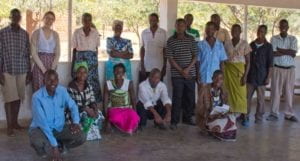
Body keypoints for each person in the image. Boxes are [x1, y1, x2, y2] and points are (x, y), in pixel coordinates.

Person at [29, 70, 86, 161]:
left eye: (55, 79)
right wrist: (54, 146)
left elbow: (73, 106)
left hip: (59, 128)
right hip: (41, 129)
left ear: (58, 80)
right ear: (44, 81)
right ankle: (46, 149)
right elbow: (43, 124)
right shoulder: (37, 97)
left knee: (81, 136)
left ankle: (60, 145)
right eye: (49, 80)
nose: (53, 83)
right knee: (38, 142)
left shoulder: (62, 91)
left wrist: (75, 122)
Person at [0, 8, 31, 136]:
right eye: (14, 15)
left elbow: (28, 53)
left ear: (20, 18)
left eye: (18, 16)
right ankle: (9, 126)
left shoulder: (25, 34)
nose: (16, 17)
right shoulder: (2, 33)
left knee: (18, 97)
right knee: (9, 98)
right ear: (10, 17)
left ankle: (15, 123)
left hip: (22, 69)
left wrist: (29, 71)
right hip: (7, 69)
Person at [166, 18, 198, 129]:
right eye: (178, 25)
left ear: (185, 27)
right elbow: (170, 58)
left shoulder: (191, 39)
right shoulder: (170, 40)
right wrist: (181, 71)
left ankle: (187, 118)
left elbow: (195, 56)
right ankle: (174, 121)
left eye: (182, 25)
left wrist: (187, 69)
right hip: (177, 75)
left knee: (189, 97)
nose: (180, 27)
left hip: (190, 73)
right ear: (175, 26)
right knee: (177, 97)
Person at [267, 19, 298, 122]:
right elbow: (273, 53)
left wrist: (280, 50)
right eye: (281, 26)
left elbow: (293, 53)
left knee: (289, 93)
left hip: (290, 70)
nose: (283, 27)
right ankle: (274, 114)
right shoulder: (274, 38)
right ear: (279, 27)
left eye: (285, 26)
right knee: (275, 92)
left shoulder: (293, 39)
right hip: (277, 68)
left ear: (288, 27)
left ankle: (289, 114)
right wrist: (287, 52)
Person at [67, 61, 105, 141]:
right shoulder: (71, 87)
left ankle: (91, 132)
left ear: (87, 74)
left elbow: (92, 100)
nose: (82, 74)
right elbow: (71, 105)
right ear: (76, 74)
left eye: (84, 72)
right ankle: (84, 133)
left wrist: (94, 109)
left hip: (88, 109)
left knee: (99, 115)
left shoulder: (88, 85)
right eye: (79, 72)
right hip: (76, 112)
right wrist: (86, 109)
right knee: (84, 116)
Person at [196, 70, 237, 141]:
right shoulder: (204, 89)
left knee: (233, 117)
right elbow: (199, 108)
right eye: (216, 78)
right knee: (222, 126)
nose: (218, 80)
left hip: (220, 116)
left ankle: (218, 130)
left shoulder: (224, 91)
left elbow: (227, 106)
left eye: (221, 78)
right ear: (212, 79)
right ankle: (210, 129)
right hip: (207, 118)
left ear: (223, 80)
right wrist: (209, 115)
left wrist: (225, 112)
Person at [244, 25, 273, 125]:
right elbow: (246, 62)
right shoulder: (251, 45)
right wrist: (245, 75)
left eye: (263, 32)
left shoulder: (268, 46)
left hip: (262, 77)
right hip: (250, 77)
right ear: (256, 32)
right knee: (247, 98)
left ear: (265, 33)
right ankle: (246, 116)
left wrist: (268, 78)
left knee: (261, 100)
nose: (260, 33)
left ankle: (259, 118)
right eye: (259, 31)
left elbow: (270, 64)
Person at [223, 24, 251, 126]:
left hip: (240, 72)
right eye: (233, 30)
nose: (234, 32)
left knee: (241, 94)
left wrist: (245, 76)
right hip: (228, 71)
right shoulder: (227, 44)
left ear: (240, 31)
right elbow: (223, 58)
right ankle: (231, 115)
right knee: (229, 93)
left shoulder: (244, 43)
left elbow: (248, 61)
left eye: (237, 30)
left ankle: (244, 116)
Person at [72, 13, 102, 104]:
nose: (87, 22)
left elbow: (96, 49)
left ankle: (94, 106)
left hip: (92, 62)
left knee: (93, 84)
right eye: (85, 20)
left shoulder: (95, 32)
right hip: (80, 60)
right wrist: (72, 65)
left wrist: (95, 62)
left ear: (91, 21)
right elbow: (74, 50)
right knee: (81, 82)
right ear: (82, 21)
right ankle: (82, 106)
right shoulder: (77, 32)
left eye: (89, 20)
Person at [103, 63, 140, 134]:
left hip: (126, 108)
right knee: (114, 117)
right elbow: (105, 101)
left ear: (124, 73)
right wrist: (106, 117)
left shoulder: (129, 83)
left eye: (120, 72)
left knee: (133, 116)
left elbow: (133, 99)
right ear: (113, 72)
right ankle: (115, 124)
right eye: (116, 71)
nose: (118, 74)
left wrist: (135, 112)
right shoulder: (108, 84)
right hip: (114, 109)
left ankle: (124, 127)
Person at [31, 11, 60, 92]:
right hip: (39, 65)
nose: (49, 21)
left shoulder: (55, 34)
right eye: (47, 18)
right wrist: (43, 69)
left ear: (53, 21)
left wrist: (52, 69)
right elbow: (33, 53)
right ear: (43, 19)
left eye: (51, 19)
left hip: (51, 65)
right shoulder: (36, 33)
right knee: (39, 90)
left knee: (50, 89)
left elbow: (58, 53)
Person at [140, 13, 167, 82]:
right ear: (149, 21)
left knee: (158, 88)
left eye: (154, 20)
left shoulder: (163, 32)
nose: (152, 22)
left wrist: (164, 66)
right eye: (151, 20)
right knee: (146, 88)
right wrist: (142, 65)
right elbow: (142, 49)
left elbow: (165, 50)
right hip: (147, 66)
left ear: (158, 21)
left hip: (159, 67)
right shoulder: (144, 32)